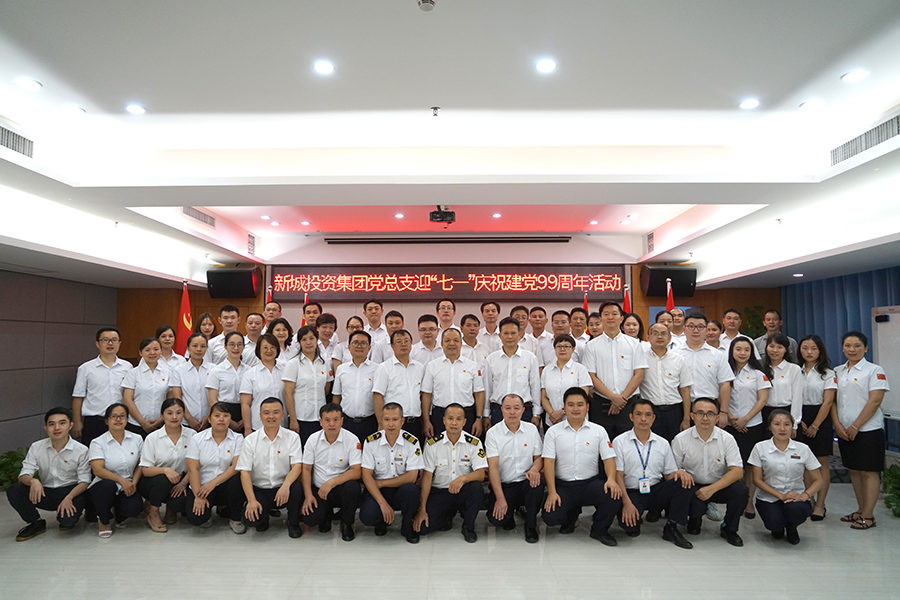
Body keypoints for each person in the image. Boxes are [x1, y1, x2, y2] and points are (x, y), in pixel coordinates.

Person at [542, 387, 623, 546]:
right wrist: (552, 492)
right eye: (570, 404)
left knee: (614, 495)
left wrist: (611, 480)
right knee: (551, 517)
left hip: (589, 484)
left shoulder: (598, 431)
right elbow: (549, 463)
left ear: (587, 407)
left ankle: (599, 530)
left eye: (580, 404)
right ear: (564, 407)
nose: (575, 408)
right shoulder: (553, 432)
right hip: (564, 486)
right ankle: (571, 515)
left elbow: (608, 459)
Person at [613, 399, 694, 549]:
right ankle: (634, 516)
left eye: (648, 415)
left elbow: (669, 475)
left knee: (684, 482)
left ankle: (671, 528)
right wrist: (627, 504)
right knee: (630, 528)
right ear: (631, 417)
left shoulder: (662, 443)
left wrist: (681, 472)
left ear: (653, 418)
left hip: (655, 490)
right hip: (632, 492)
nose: (643, 419)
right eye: (639, 414)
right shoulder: (620, 442)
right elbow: (618, 476)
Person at [832, 331, 890, 531]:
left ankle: (868, 516)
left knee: (869, 471)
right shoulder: (837, 371)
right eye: (848, 345)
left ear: (865, 348)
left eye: (857, 346)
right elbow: (832, 401)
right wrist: (838, 425)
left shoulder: (874, 370)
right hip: (845, 431)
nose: (852, 349)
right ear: (842, 348)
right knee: (855, 471)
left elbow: (875, 400)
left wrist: (856, 426)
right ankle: (860, 510)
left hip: (868, 430)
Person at [672, 398, 748, 546]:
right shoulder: (680, 439)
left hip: (718, 485)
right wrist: (680, 472)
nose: (705, 418)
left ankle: (729, 528)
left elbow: (738, 471)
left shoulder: (727, 439)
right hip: (692, 486)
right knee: (689, 501)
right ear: (692, 416)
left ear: (717, 417)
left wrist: (711, 489)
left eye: (710, 414)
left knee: (741, 490)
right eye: (700, 413)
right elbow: (673, 469)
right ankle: (694, 518)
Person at [7, 407, 91, 541]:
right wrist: (33, 481)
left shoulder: (81, 450)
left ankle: (66, 518)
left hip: (71, 491)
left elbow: (85, 481)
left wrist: (69, 497)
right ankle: (35, 522)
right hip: (46, 492)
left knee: (67, 521)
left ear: (71, 425)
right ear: (46, 428)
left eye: (62, 423)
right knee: (15, 490)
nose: (57, 428)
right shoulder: (37, 447)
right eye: (52, 424)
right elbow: (24, 474)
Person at [414, 404, 487, 543]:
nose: (454, 423)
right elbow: (427, 477)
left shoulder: (474, 443)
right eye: (450, 418)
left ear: (464, 422)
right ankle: (446, 516)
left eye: (458, 419)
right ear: (444, 420)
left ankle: (468, 527)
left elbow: (481, 474)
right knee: (422, 529)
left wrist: (463, 478)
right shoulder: (432, 444)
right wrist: (422, 509)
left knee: (476, 488)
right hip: (440, 492)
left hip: (462, 491)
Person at [749, 409, 823, 544]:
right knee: (774, 522)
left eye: (787, 424)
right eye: (777, 424)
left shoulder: (803, 449)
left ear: (792, 426)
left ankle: (792, 527)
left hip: (796, 496)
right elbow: (757, 480)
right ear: (770, 427)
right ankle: (777, 528)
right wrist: (781, 496)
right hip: (769, 497)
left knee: (797, 510)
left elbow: (818, 480)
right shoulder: (760, 448)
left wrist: (805, 496)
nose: (782, 429)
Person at [235, 398, 304, 537]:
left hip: (283, 487)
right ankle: (263, 517)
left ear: (282, 415)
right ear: (260, 416)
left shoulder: (292, 437)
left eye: (276, 412)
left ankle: (293, 522)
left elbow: (297, 466)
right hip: (260, 489)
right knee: (252, 520)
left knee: (296, 487)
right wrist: (251, 500)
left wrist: (285, 485)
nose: (271, 416)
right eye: (266, 413)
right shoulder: (250, 440)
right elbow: (245, 472)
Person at [360, 402, 424, 543]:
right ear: (381, 420)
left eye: (395, 419)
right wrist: (382, 503)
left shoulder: (412, 442)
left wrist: (382, 483)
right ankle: (381, 522)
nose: (390, 424)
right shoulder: (371, 442)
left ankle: (407, 526)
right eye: (387, 419)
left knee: (411, 490)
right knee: (367, 516)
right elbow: (366, 475)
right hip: (378, 490)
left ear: (402, 421)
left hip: (399, 489)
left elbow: (412, 477)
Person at [583, 301, 647, 438]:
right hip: (601, 404)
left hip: (628, 404)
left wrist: (621, 399)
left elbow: (639, 375)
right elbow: (591, 376)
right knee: (602, 443)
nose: (610, 317)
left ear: (621, 318)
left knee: (629, 443)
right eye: (606, 314)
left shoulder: (634, 344)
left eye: (614, 314)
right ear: (601, 319)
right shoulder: (591, 346)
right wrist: (613, 398)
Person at [300, 403, 363, 541]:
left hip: (340, 488)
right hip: (319, 489)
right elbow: (306, 469)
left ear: (342, 421)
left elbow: (357, 471)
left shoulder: (352, 439)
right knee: (310, 519)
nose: (332, 424)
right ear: (320, 422)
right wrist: (308, 495)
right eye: (327, 420)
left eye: (336, 419)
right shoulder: (312, 439)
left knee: (353, 487)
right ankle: (326, 517)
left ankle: (347, 523)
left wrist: (332, 482)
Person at [486, 393, 543, 543]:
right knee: (497, 519)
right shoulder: (493, 433)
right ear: (501, 410)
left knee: (536, 484)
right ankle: (510, 513)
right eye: (508, 408)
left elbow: (539, 458)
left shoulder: (531, 430)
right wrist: (500, 499)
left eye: (516, 408)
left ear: (523, 410)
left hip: (526, 482)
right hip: (505, 484)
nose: (512, 412)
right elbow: (493, 468)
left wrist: (534, 469)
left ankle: (530, 525)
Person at [726, 337, 771, 519]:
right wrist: (731, 417)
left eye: (746, 349)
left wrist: (745, 419)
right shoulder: (725, 371)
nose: (742, 353)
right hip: (729, 424)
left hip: (752, 424)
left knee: (750, 465)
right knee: (732, 464)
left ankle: (749, 501)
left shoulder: (758, 374)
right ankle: (733, 499)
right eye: (738, 349)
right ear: (732, 351)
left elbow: (763, 400)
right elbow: (719, 396)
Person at [185, 402, 245, 532]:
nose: (221, 419)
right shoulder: (197, 438)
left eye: (225, 416)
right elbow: (192, 469)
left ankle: (235, 518)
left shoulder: (238, 438)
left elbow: (235, 466)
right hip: (202, 486)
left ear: (230, 419)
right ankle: (209, 512)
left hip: (225, 485)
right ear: (209, 419)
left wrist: (213, 483)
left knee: (239, 479)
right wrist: (198, 496)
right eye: (217, 416)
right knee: (197, 518)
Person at [86, 403, 144, 538]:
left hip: (128, 484)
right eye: (114, 416)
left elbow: (140, 464)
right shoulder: (97, 442)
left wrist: (134, 483)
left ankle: (119, 515)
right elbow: (98, 470)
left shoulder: (137, 439)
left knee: (135, 507)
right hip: (104, 485)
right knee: (108, 486)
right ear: (107, 421)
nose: (118, 419)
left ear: (127, 419)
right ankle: (103, 520)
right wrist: (121, 480)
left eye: (122, 416)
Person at [137, 398, 195, 532]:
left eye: (178, 413)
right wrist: (165, 470)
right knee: (164, 479)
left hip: (181, 480)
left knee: (181, 503)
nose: (174, 417)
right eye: (169, 413)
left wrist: (183, 483)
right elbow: (145, 470)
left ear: (183, 414)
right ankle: (153, 512)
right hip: (154, 481)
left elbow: (196, 465)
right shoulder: (153, 437)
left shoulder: (192, 435)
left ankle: (171, 509)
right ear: (162, 415)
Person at [795, 335, 836, 520]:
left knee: (821, 463)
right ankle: (809, 500)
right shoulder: (796, 370)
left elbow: (828, 402)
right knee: (805, 463)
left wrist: (815, 425)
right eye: (805, 348)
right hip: (799, 416)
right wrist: (798, 420)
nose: (809, 352)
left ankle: (820, 504)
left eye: (813, 348)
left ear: (820, 350)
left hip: (820, 417)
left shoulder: (828, 373)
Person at [673, 312, 734, 430]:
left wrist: (723, 412)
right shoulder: (675, 354)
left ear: (706, 330)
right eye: (691, 326)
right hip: (682, 408)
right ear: (684, 329)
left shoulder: (717, 355)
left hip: (710, 407)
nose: (696, 330)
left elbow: (725, 384)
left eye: (700, 327)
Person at [72, 327, 132, 446]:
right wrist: (77, 421)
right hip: (95, 421)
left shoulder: (128, 367)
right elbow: (78, 397)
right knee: (92, 454)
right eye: (105, 340)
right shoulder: (86, 368)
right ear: (97, 344)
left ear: (119, 343)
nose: (110, 343)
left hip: (120, 421)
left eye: (114, 340)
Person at [422, 329, 485, 437]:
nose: (452, 344)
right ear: (442, 344)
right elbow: (427, 394)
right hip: (440, 416)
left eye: (456, 340)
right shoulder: (432, 366)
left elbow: (479, 393)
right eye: (447, 340)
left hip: (466, 416)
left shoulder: (472, 366)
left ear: (461, 343)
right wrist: (426, 421)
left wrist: (479, 418)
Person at [640, 323, 693, 442]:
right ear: (648, 337)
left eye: (663, 334)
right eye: (655, 333)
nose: (659, 337)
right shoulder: (641, 358)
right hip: (649, 411)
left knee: (675, 445)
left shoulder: (678, 359)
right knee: (651, 445)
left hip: (674, 411)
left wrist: (686, 418)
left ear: (669, 338)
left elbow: (685, 390)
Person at [484, 317, 541, 427]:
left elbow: (535, 387)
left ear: (519, 335)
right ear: (500, 336)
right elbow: (488, 387)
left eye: (513, 333)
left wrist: (536, 414)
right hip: (498, 411)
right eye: (506, 333)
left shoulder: (530, 358)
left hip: (524, 411)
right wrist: (486, 414)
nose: (509, 337)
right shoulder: (491, 359)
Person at [282, 325, 333, 445]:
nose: (308, 342)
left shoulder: (324, 363)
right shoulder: (293, 364)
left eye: (311, 338)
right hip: (300, 418)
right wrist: (293, 419)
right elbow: (288, 393)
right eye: (304, 339)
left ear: (317, 340)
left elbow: (326, 389)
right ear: (299, 342)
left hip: (320, 418)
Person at [372, 329, 426, 440]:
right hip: (393, 423)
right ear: (392, 346)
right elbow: (378, 396)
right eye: (399, 342)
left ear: (411, 345)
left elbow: (422, 395)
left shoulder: (419, 367)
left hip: (415, 422)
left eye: (406, 341)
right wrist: (381, 423)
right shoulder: (384, 368)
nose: (403, 344)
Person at [332, 330, 379, 441]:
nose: (359, 346)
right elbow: (336, 397)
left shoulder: (377, 369)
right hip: (346, 422)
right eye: (355, 343)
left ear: (369, 348)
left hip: (370, 422)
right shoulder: (341, 369)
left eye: (363, 343)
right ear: (349, 347)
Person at [122, 337, 172, 438]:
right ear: (140, 353)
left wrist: (162, 419)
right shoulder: (133, 373)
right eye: (147, 350)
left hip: (161, 424)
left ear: (161, 351)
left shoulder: (168, 372)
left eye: (156, 349)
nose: (152, 353)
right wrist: (143, 422)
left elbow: (171, 398)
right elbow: (127, 400)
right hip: (136, 425)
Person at [540, 334, 591, 428]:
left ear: (573, 349)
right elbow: (544, 397)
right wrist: (552, 414)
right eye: (559, 346)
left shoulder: (580, 369)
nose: (562, 349)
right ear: (554, 349)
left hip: (575, 419)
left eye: (567, 346)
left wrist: (562, 412)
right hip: (552, 421)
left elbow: (583, 394)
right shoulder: (547, 370)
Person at [239, 334, 285, 435]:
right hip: (258, 425)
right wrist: (247, 428)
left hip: (282, 424)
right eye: (265, 347)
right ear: (258, 350)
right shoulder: (250, 374)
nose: (269, 350)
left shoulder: (285, 370)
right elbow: (245, 404)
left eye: (272, 347)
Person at [206, 331, 249, 430]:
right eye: (232, 344)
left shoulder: (249, 371)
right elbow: (213, 401)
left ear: (244, 347)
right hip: (222, 414)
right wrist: (228, 420)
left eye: (239, 344)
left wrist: (245, 419)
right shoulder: (216, 371)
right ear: (225, 347)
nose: (236, 348)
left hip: (244, 413)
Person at [170, 332, 214, 431]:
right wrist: (189, 418)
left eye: (203, 346)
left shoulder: (214, 369)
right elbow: (177, 397)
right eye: (195, 346)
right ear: (188, 348)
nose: (199, 349)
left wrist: (208, 417)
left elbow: (216, 397)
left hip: (210, 421)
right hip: (185, 422)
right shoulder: (178, 370)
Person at [761, 332, 803, 430]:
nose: (775, 350)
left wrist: (794, 423)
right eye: (771, 346)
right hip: (765, 413)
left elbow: (797, 397)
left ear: (786, 349)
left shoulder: (794, 369)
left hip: (787, 412)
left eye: (780, 347)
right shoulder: (761, 369)